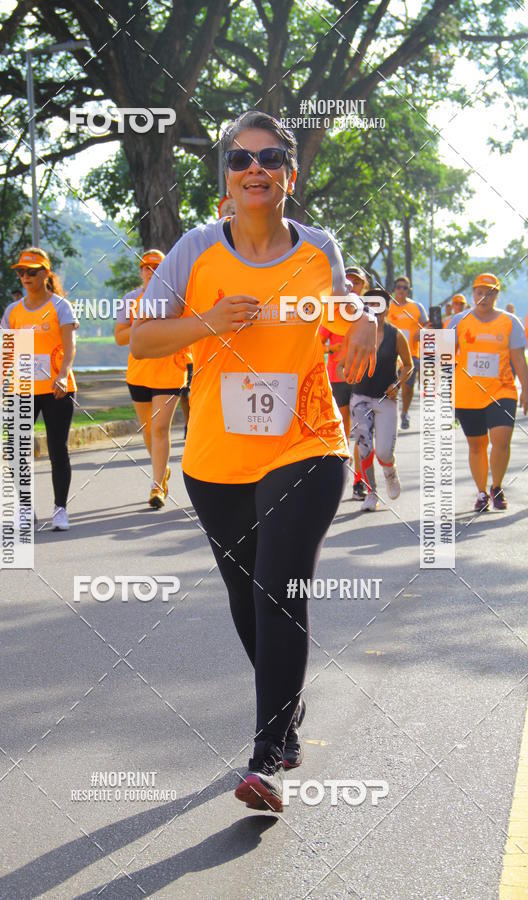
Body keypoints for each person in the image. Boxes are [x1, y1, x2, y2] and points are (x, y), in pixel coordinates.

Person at [130, 110, 377, 812]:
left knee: (278, 589)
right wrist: (207, 322)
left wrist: (369, 317)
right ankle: (288, 717)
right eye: (240, 160)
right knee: (248, 600)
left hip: (306, 444)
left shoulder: (317, 247)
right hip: (215, 459)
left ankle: (266, 756)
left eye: (270, 157)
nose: (255, 168)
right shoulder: (196, 252)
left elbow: (346, 311)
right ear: (227, 183)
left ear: (289, 177)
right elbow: (146, 341)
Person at [0, 248, 78, 531]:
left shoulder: (60, 307)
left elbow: (70, 348)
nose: (25, 277)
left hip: (56, 389)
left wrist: (62, 376)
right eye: (21, 272)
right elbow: (5, 354)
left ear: (45, 274)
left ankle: (60, 509)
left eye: (32, 271)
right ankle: (25, 508)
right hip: (21, 388)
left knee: (56, 449)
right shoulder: (12, 312)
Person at [114, 249, 188, 509]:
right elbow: (120, 336)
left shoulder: (178, 298)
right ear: (141, 271)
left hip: (170, 370)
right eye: (146, 266)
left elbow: (187, 330)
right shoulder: (131, 299)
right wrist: (140, 327)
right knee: (148, 430)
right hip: (139, 372)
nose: (151, 270)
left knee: (159, 428)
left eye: (156, 266)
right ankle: (162, 470)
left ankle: (157, 486)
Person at [448, 272, 528, 511]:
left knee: (501, 440)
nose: (484, 296)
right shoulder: (459, 322)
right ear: (474, 294)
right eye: (479, 292)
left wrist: (526, 388)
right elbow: (445, 355)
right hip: (467, 393)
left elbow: (519, 359)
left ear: (497, 295)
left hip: (501, 391)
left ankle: (497, 486)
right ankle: (482, 492)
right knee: (477, 445)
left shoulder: (510, 322)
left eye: (489, 292)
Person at [348, 289, 413, 511]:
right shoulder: (354, 331)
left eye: (380, 304)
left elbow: (408, 364)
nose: (375, 309)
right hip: (360, 396)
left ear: (387, 308)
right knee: (364, 447)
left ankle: (389, 471)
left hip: (386, 398)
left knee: (384, 451)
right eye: (370, 304)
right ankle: (371, 493)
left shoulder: (396, 335)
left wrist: (397, 384)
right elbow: (342, 357)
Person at [320, 264, 368, 499]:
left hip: (361, 374)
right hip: (338, 376)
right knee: (344, 423)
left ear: (363, 285)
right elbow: (318, 343)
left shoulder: (370, 312)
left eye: (357, 282)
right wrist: (334, 347)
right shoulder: (333, 309)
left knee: (362, 427)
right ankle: (345, 467)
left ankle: (360, 479)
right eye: (348, 281)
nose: (353, 285)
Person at [386, 275, 428, 429]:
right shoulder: (387, 307)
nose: (401, 290)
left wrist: (422, 333)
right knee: (390, 385)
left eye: (404, 288)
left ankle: (404, 412)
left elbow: (427, 326)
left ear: (408, 290)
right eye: (398, 287)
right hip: (390, 355)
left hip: (411, 354)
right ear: (394, 289)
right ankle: (390, 416)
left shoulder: (416, 307)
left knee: (408, 388)